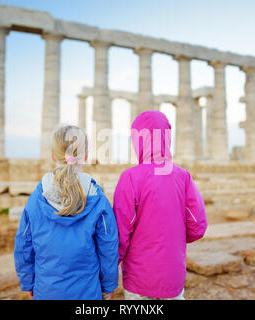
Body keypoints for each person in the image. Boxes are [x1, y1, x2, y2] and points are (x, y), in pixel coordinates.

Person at [14, 125, 119, 300]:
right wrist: (108, 284)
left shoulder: (36, 198)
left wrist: (28, 281)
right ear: (85, 156)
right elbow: (108, 246)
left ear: (53, 156)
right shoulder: (98, 199)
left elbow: (23, 244)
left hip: (46, 292)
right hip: (87, 294)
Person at [113, 110, 207, 300]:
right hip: (173, 277)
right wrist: (172, 238)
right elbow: (197, 227)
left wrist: (109, 269)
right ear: (167, 137)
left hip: (138, 279)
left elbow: (120, 235)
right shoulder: (183, 176)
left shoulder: (130, 178)